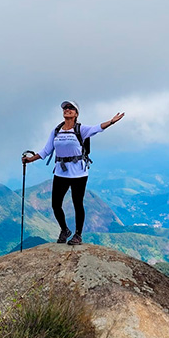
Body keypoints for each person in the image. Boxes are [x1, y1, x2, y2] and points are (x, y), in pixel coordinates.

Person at [23, 100, 124, 245]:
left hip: (79, 174)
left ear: (76, 114)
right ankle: (64, 230)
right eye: (65, 108)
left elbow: (97, 128)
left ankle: (78, 235)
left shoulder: (81, 129)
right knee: (56, 204)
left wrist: (111, 122)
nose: (67, 110)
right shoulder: (56, 131)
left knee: (78, 204)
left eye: (71, 108)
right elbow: (46, 150)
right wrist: (31, 159)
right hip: (61, 173)